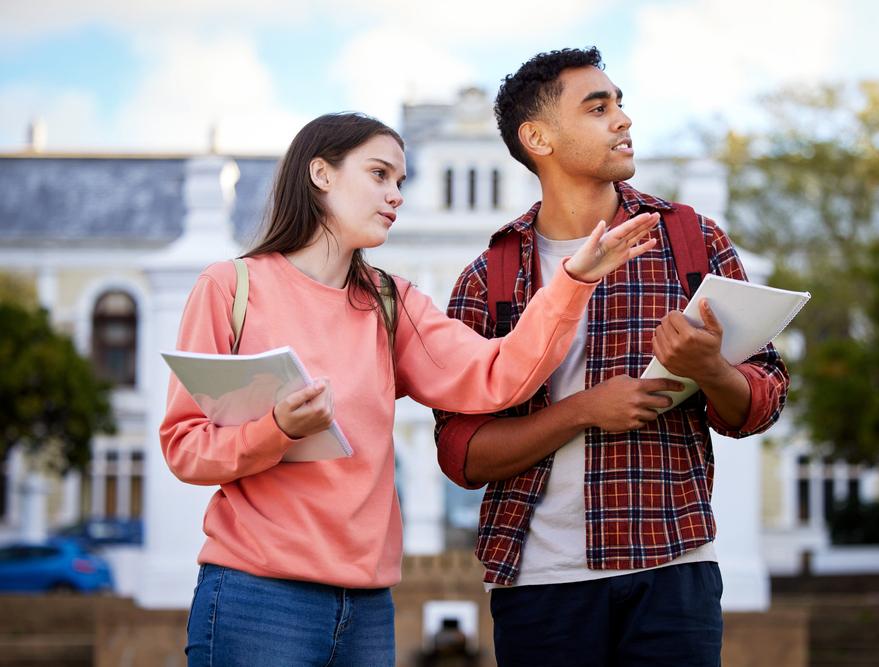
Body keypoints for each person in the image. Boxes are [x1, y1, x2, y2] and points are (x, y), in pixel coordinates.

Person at [159, 112, 660, 667]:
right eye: (379, 175)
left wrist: (574, 280)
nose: (395, 195)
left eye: (400, 180)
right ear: (320, 173)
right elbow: (186, 448)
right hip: (257, 596)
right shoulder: (230, 289)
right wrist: (276, 430)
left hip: (369, 609)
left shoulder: (391, 303)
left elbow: (498, 375)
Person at [433, 48, 790, 667]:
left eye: (619, 103)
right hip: (541, 586)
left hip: (674, 572)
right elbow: (461, 455)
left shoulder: (690, 240)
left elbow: (761, 403)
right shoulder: (488, 277)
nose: (623, 119)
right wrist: (582, 411)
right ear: (537, 137)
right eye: (598, 108)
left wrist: (710, 369)